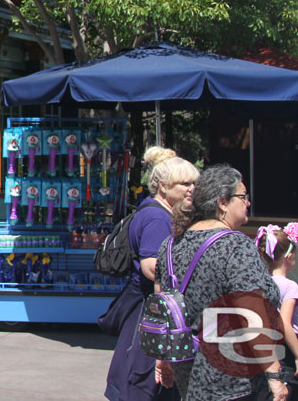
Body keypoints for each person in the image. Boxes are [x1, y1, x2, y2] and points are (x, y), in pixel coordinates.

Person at [154, 164, 287, 401]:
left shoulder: (171, 245)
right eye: (242, 196)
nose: (247, 202)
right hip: (235, 382)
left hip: (188, 374)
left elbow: (164, 306)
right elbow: (252, 313)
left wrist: (163, 358)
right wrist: (275, 376)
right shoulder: (235, 246)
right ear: (222, 203)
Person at [104, 146, 198, 401]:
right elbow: (151, 268)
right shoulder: (157, 217)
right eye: (184, 183)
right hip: (150, 309)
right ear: (164, 186)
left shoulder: (154, 211)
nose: (191, 189)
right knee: (142, 382)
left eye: (193, 183)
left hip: (146, 308)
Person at [257, 223, 298, 384]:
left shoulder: (262, 283)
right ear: (289, 257)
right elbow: (285, 323)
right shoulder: (290, 286)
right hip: (288, 351)